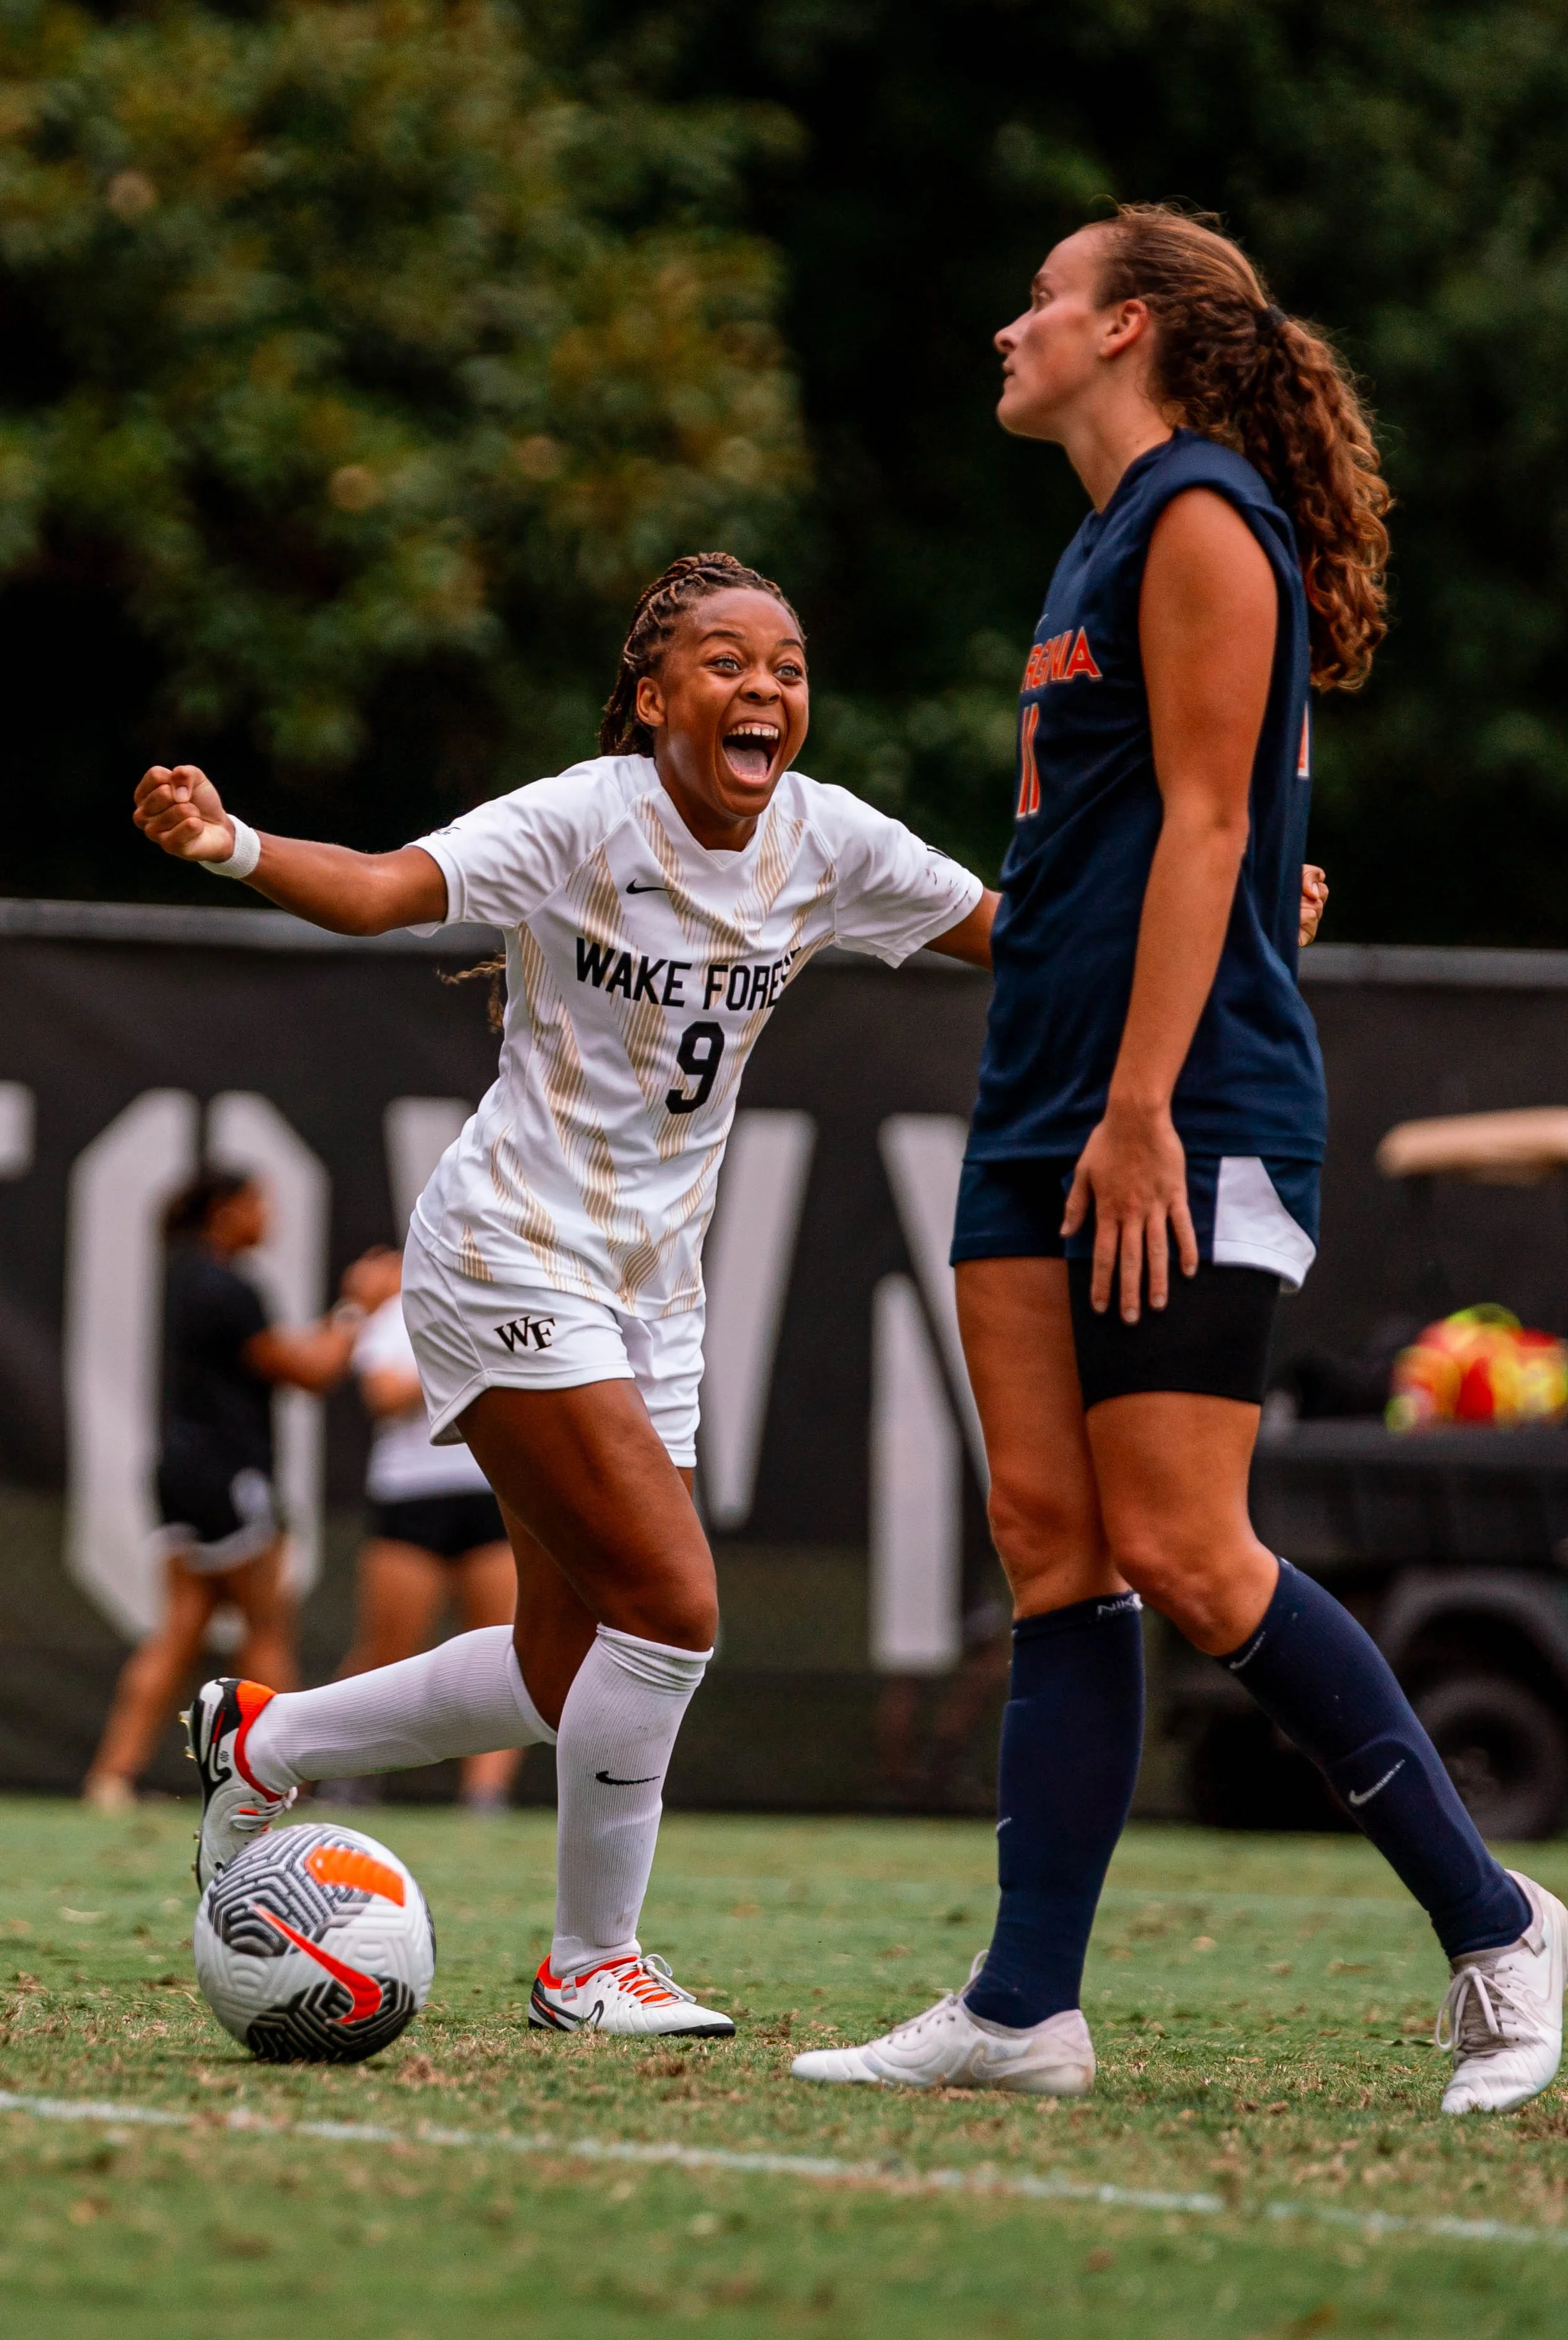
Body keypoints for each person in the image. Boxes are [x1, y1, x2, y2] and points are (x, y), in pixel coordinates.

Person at [791, 206, 1568, 2117]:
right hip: (1036, 1094)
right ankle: (1021, 2007)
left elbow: (1214, 827)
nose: (1011, 326)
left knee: (1184, 1550)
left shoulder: (1203, 514)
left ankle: (1497, 1927)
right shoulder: (1095, 535)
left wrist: (1144, 1103)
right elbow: (1161, 836)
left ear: (1125, 326)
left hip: (1178, 1107)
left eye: (1041, 299)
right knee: (1051, 1547)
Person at [131, 551, 997, 2038]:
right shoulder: (586, 817)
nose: (764, 689)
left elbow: (1020, 933)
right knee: (669, 1609)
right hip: (508, 1249)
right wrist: (232, 844)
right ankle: (589, 1964)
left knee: (564, 1666)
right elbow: (386, 890)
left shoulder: (829, 839)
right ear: (652, 698)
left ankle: (270, 1740)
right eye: (726, 662)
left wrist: (1223, 918)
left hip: (656, 1293)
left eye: (786, 668)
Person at [83, 1170, 387, 1807]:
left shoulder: (188, 1279)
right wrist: (359, 1306)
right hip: (229, 1476)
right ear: (225, 1211)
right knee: (266, 1630)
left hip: (181, 1473)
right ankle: (285, 1778)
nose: (267, 1215)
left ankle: (112, 1776)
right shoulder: (227, 1285)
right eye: (257, 1203)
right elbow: (310, 1370)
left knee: (181, 1627)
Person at [326, 1247, 523, 1814]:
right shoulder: (397, 1315)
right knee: (388, 1649)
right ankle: (347, 1774)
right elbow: (385, 1395)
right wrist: (472, 1365)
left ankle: (485, 1795)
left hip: (491, 1491)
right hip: (412, 1497)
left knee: (503, 1651)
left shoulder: (509, 1306)